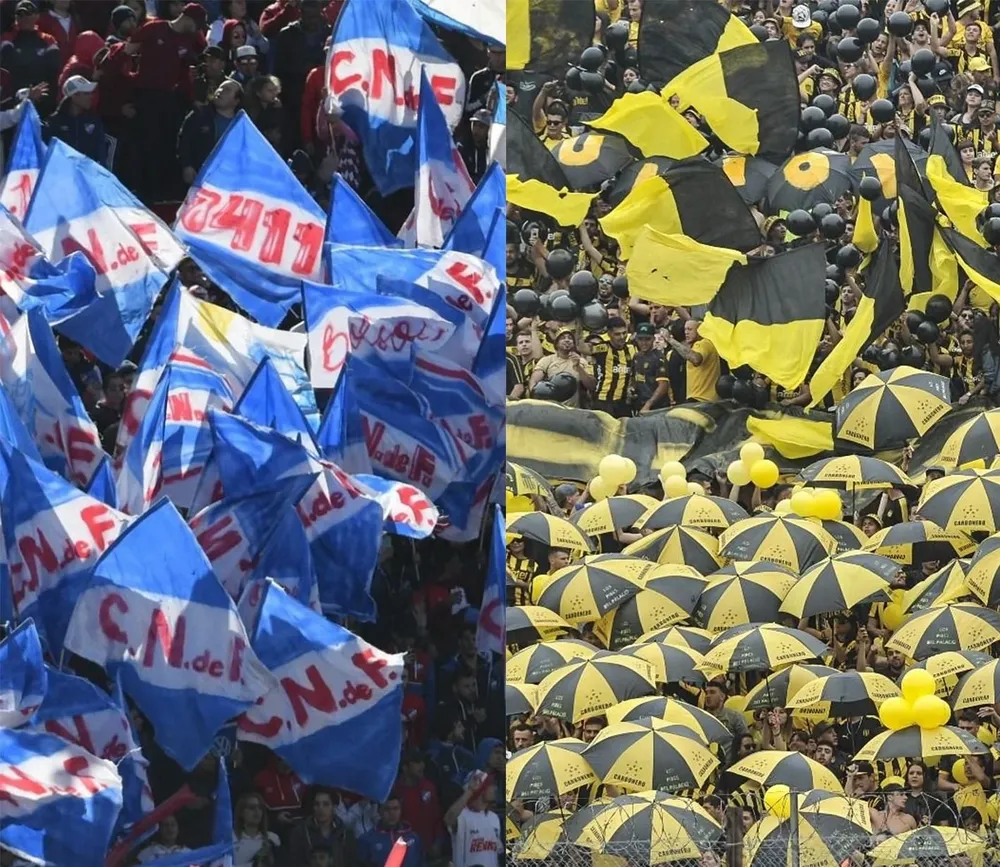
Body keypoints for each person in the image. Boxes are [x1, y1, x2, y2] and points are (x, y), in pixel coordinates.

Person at [177, 78, 242, 185]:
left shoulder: (240, 123)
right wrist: (187, 166)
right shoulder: (199, 114)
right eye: (220, 88)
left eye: (227, 90)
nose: (220, 91)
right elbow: (184, 141)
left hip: (230, 178)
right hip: (201, 176)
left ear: (236, 101)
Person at [45, 74, 107, 163]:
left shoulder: (94, 120)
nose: (91, 96)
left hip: (87, 174)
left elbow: (101, 154)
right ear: (74, 95)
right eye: (86, 93)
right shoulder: (55, 122)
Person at [444, 773, 501, 867]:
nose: (495, 788)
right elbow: (448, 820)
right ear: (481, 788)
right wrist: (470, 791)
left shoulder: (494, 818)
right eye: (490, 785)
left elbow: (495, 856)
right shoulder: (462, 815)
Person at [287, 788, 354, 867]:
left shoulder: (346, 833)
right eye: (317, 804)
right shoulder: (299, 832)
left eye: (326, 804)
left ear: (334, 807)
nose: (321, 808)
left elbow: (350, 862)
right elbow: (296, 863)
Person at [355, 795, 424, 867]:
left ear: (401, 811)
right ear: (379, 811)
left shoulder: (414, 838)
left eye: (395, 809)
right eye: (387, 809)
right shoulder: (367, 840)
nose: (392, 813)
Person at [233, 792, 281, 867]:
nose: (257, 811)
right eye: (252, 807)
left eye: (260, 807)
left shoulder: (273, 838)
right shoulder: (231, 838)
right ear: (241, 812)